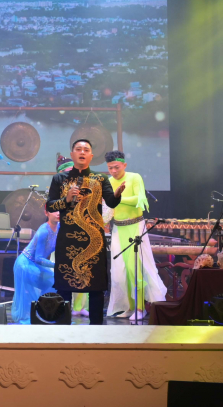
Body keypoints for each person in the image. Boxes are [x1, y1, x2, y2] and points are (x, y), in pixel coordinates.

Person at [46, 138, 126, 325]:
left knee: (96, 288)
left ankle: (96, 329)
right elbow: (50, 206)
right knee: (64, 287)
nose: (82, 152)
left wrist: (117, 194)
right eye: (78, 149)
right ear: (72, 154)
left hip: (93, 238)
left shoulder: (100, 179)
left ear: (91, 155)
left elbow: (112, 203)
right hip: (68, 239)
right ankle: (62, 329)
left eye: (86, 149)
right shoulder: (59, 179)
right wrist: (66, 199)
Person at [102, 151, 167, 321]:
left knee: (135, 269)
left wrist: (116, 197)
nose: (114, 171)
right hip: (118, 229)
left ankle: (140, 308)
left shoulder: (134, 177)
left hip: (135, 226)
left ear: (124, 165)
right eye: (110, 168)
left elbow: (139, 199)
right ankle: (129, 307)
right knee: (119, 272)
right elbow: (108, 205)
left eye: (116, 167)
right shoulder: (108, 181)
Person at [12, 208, 60, 324]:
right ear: (46, 213)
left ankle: (46, 313)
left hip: (34, 264)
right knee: (53, 281)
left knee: (56, 282)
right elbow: (38, 259)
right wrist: (57, 266)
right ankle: (41, 314)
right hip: (25, 264)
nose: (58, 213)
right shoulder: (43, 231)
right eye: (54, 211)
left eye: (60, 210)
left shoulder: (59, 227)